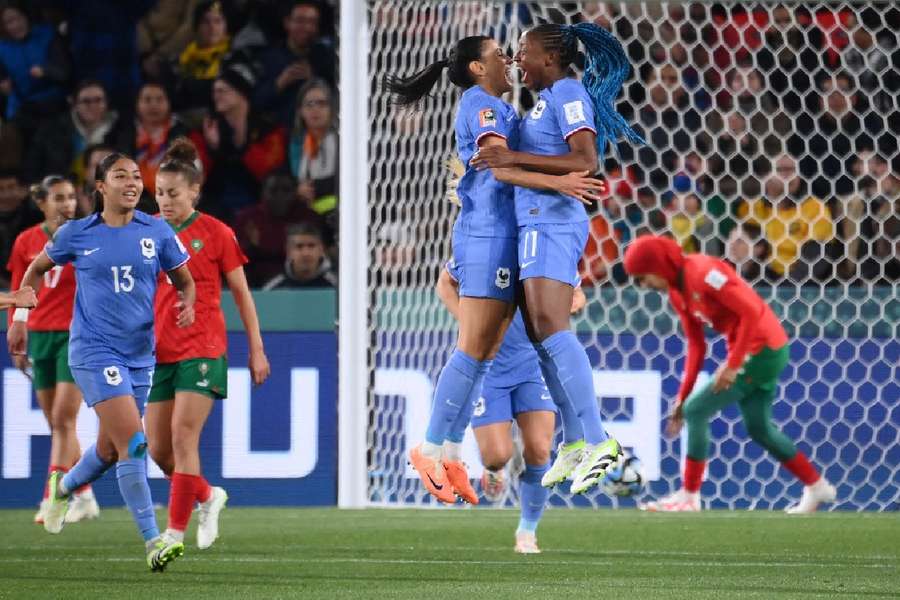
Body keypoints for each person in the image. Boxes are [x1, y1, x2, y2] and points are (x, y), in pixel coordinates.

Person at [386, 35, 606, 504]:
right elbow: (500, 169)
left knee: (484, 354)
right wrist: (560, 179)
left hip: (510, 236)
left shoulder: (505, 108)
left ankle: (448, 453)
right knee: (471, 351)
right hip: (488, 236)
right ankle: (429, 449)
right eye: (497, 55)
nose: (507, 60)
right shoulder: (480, 106)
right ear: (475, 69)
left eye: (512, 53)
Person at [470, 23, 645, 493]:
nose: (517, 62)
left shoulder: (568, 91)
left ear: (549, 58)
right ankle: (573, 443)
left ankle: (598, 440)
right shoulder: (548, 97)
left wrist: (512, 163)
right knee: (539, 330)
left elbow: (584, 158)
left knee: (552, 327)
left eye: (523, 53)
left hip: (553, 224)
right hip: (535, 223)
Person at [10, 151, 196, 571]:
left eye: (136, 176)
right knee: (134, 443)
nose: (132, 182)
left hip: (139, 354)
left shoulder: (158, 231)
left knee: (110, 450)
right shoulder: (77, 233)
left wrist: (187, 304)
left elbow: (185, 279)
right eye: (120, 175)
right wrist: (20, 318)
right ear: (100, 187)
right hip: (93, 351)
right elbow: (33, 272)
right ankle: (154, 541)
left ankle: (65, 486)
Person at [622, 235, 836, 513]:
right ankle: (817, 487)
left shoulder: (704, 273)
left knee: (697, 411)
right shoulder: (677, 293)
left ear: (659, 265)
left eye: (643, 276)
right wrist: (681, 398)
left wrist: (733, 364)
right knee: (759, 429)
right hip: (754, 351)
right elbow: (696, 347)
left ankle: (689, 496)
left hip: (763, 350)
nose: (643, 285)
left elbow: (751, 311)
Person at [146, 138, 270, 548]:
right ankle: (206, 495)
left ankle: (173, 533)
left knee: (183, 437)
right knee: (160, 451)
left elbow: (241, 293)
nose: (164, 201)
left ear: (194, 192)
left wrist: (256, 348)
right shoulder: (147, 232)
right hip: (158, 351)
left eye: (173, 193)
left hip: (203, 346)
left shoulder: (217, 233)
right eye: (160, 193)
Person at [437, 262, 586, 553]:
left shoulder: (544, 251)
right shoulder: (487, 246)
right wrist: (469, 323)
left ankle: (527, 532)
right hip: (489, 369)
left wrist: (559, 309)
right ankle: (497, 469)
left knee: (541, 449)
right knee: (496, 455)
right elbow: (445, 283)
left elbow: (578, 295)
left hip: (533, 367)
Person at [7, 175, 99, 525]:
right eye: (59, 198)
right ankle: (85, 494)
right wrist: (19, 326)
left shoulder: (85, 236)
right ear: (41, 203)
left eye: (72, 198)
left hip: (75, 336)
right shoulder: (26, 241)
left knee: (64, 419)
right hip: (40, 336)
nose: (67, 205)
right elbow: (20, 287)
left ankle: (52, 498)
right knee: (56, 423)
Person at [191, 62, 288, 223]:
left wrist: (244, 146)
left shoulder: (268, 128)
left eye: (222, 90)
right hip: (214, 205)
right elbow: (193, 178)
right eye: (215, 91)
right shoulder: (204, 129)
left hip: (259, 203)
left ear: (241, 93)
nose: (216, 96)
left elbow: (270, 172)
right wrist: (213, 149)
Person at [235, 172, 327, 286]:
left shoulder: (309, 217)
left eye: (286, 190)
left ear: (295, 192)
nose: (280, 196)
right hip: (257, 284)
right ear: (263, 193)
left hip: (306, 279)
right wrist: (251, 247)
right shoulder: (248, 219)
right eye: (274, 190)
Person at [25, 80, 122, 185]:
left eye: (98, 100)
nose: (93, 106)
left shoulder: (120, 129)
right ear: (73, 103)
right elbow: (32, 170)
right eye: (86, 101)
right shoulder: (51, 131)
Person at [255, 0, 335, 127]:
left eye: (312, 22)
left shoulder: (327, 57)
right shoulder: (269, 58)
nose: (307, 27)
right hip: (280, 136)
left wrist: (314, 79)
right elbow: (256, 103)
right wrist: (280, 83)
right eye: (300, 20)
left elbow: (337, 94)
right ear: (287, 23)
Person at [0, 1, 70, 138]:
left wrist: (45, 71)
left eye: (18, 18)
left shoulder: (48, 34)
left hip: (54, 103)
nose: (15, 25)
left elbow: (64, 72)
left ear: (26, 17)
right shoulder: (2, 48)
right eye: (9, 22)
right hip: (23, 108)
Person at [115, 82, 190, 202]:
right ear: (137, 104)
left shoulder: (183, 133)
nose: (153, 105)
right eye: (147, 100)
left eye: (159, 100)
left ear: (169, 103)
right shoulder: (123, 134)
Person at [289, 79, 337, 218]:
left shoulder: (343, 139)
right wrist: (297, 190)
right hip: (305, 211)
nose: (315, 109)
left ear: (332, 108)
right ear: (300, 111)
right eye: (309, 104)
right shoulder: (295, 142)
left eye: (322, 103)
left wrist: (314, 188)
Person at [262, 222, 335, 289]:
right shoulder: (272, 289)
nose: (306, 253)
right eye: (299, 246)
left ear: (321, 250)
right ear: (288, 251)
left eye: (311, 246)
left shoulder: (338, 287)